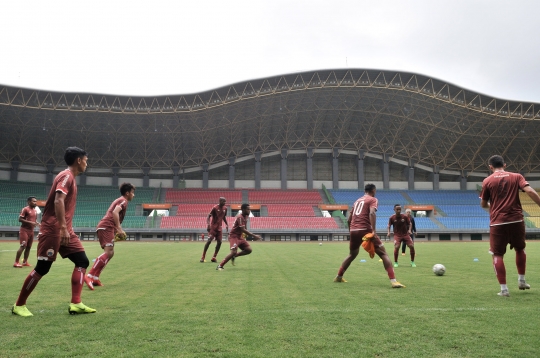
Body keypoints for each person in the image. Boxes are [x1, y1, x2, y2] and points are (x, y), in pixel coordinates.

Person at [12, 147, 96, 317]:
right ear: (79, 160)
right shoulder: (66, 176)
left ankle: (76, 303)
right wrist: (63, 228)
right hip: (53, 230)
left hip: (65, 230)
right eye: (86, 160)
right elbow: (59, 200)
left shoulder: (70, 177)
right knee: (42, 268)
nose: (87, 164)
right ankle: (19, 305)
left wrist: (66, 229)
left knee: (82, 261)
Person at [480, 155, 540, 297]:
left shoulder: (487, 181)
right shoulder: (517, 176)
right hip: (516, 219)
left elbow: (483, 204)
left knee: (498, 254)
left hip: (498, 221)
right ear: (505, 165)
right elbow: (530, 191)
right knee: (520, 248)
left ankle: (504, 290)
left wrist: (492, 207)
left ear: (490, 167)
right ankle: (522, 281)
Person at [334, 184, 405, 288]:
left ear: (364, 190)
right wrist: (373, 231)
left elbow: (349, 219)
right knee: (383, 254)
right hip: (365, 230)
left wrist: (351, 232)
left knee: (352, 254)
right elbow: (372, 213)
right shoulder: (372, 199)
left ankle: (338, 277)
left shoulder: (357, 201)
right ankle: (394, 281)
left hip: (354, 229)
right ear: (373, 190)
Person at [84, 183, 135, 290]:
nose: (133, 195)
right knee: (108, 252)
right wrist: (119, 228)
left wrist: (116, 230)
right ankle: (89, 276)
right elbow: (115, 212)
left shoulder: (121, 200)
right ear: (127, 193)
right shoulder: (123, 200)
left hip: (107, 227)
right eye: (132, 192)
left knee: (110, 253)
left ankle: (95, 277)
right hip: (106, 226)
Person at [216, 203, 261, 270]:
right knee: (233, 252)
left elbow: (244, 227)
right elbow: (242, 229)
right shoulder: (240, 217)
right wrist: (254, 236)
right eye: (248, 209)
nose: (249, 211)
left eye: (250, 209)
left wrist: (244, 235)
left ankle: (234, 256)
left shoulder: (246, 216)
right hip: (234, 236)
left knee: (248, 250)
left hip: (239, 236)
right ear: (243, 209)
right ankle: (220, 265)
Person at [14, 196, 40, 268]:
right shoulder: (25, 209)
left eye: (36, 201)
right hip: (24, 230)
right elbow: (20, 219)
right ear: (29, 202)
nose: (35, 203)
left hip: (31, 231)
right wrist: (31, 223)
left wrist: (37, 223)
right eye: (33, 201)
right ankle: (16, 262)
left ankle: (25, 262)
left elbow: (33, 221)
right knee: (23, 246)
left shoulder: (35, 211)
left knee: (28, 247)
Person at [200, 197, 229, 263]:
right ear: (220, 201)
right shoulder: (215, 208)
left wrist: (227, 224)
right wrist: (208, 224)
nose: (225, 203)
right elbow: (208, 216)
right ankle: (203, 256)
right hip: (213, 227)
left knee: (220, 242)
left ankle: (214, 257)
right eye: (224, 201)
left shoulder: (225, 208)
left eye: (225, 202)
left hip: (219, 228)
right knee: (209, 241)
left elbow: (223, 217)